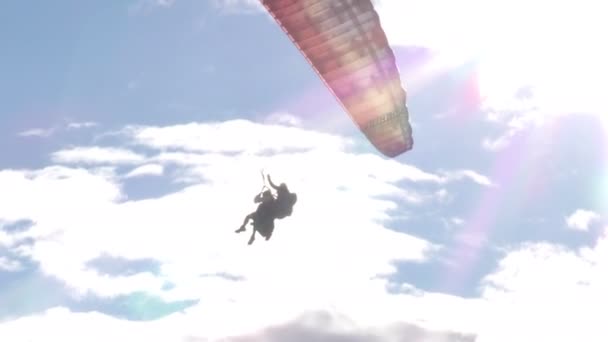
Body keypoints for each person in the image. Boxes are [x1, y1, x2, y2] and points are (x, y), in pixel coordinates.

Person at [235, 174, 297, 245]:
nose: (277, 192)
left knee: (257, 217)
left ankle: (254, 232)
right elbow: (256, 200)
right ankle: (244, 228)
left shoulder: (275, 197)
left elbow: (258, 199)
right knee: (252, 216)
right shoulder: (274, 198)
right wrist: (261, 192)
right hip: (275, 212)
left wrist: (269, 179)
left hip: (275, 211)